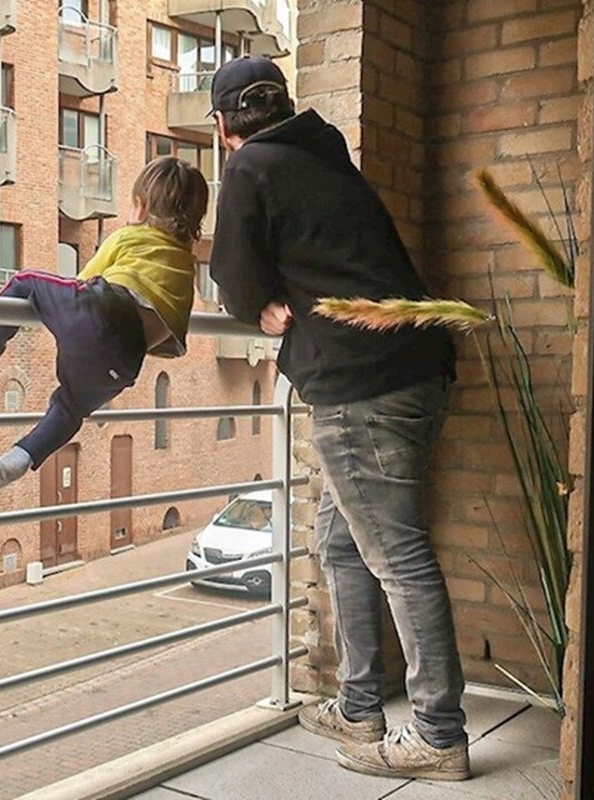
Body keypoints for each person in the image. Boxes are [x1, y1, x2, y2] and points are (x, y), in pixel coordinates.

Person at [207, 56, 469, 781]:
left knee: (398, 557)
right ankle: (358, 707)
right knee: (342, 544)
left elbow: (234, 278)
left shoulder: (250, 166)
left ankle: (439, 734)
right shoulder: (326, 157)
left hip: (361, 386)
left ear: (224, 125)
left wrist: (258, 305)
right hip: (415, 366)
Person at [0, 157, 208, 490]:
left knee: (25, 282)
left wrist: (63, 312)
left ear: (140, 208)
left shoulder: (127, 237)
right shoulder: (186, 268)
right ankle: (23, 455)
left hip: (98, 315)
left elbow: (84, 281)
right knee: (71, 407)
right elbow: (171, 336)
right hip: (125, 363)